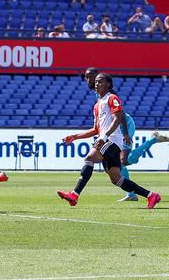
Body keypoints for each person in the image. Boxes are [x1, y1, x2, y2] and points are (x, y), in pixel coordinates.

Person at [57, 73, 161, 209]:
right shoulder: (97, 105)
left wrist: (104, 137)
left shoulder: (112, 98)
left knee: (89, 158)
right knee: (116, 179)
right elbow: (95, 129)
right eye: (96, 82)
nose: (96, 84)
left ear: (108, 84)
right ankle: (151, 195)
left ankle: (74, 195)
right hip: (106, 140)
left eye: (100, 81)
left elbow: (117, 119)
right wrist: (75, 136)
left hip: (112, 141)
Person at [79, 68, 169, 201]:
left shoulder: (108, 93)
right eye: (86, 78)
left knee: (123, 161)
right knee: (121, 164)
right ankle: (132, 194)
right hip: (114, 130)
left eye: (90, 77)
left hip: (123, 126)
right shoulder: (97, 93)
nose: (88, 80)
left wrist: (125, 133)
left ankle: (152, 140)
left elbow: (119, 114)